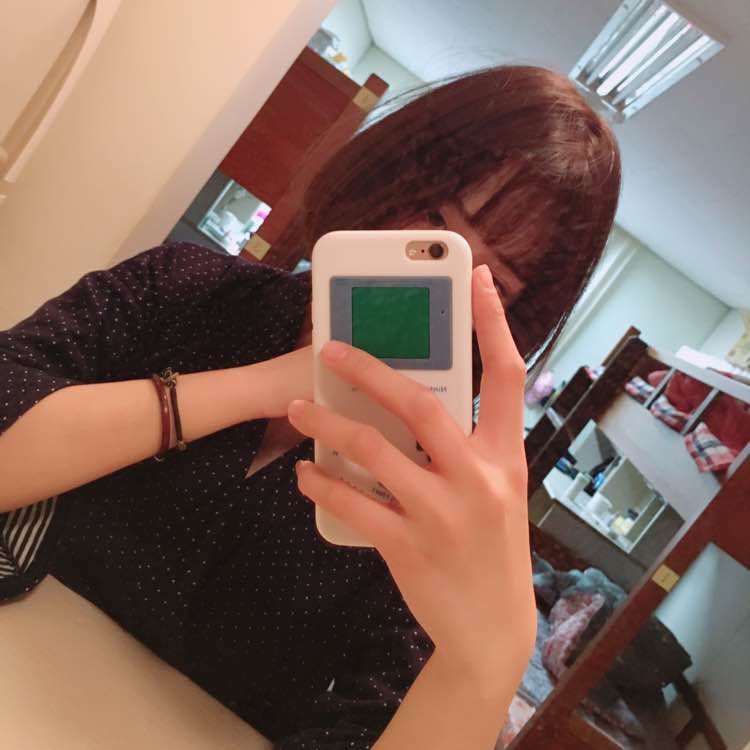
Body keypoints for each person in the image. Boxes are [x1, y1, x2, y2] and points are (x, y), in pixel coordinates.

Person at [0, 66, 620, 748]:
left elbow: (367, 722)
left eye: (490, 280)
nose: (427, 287)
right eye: (433, 223)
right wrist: (268, 384)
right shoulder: (184, 287)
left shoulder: (440, 491)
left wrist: (487, 662)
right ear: (385, 177)